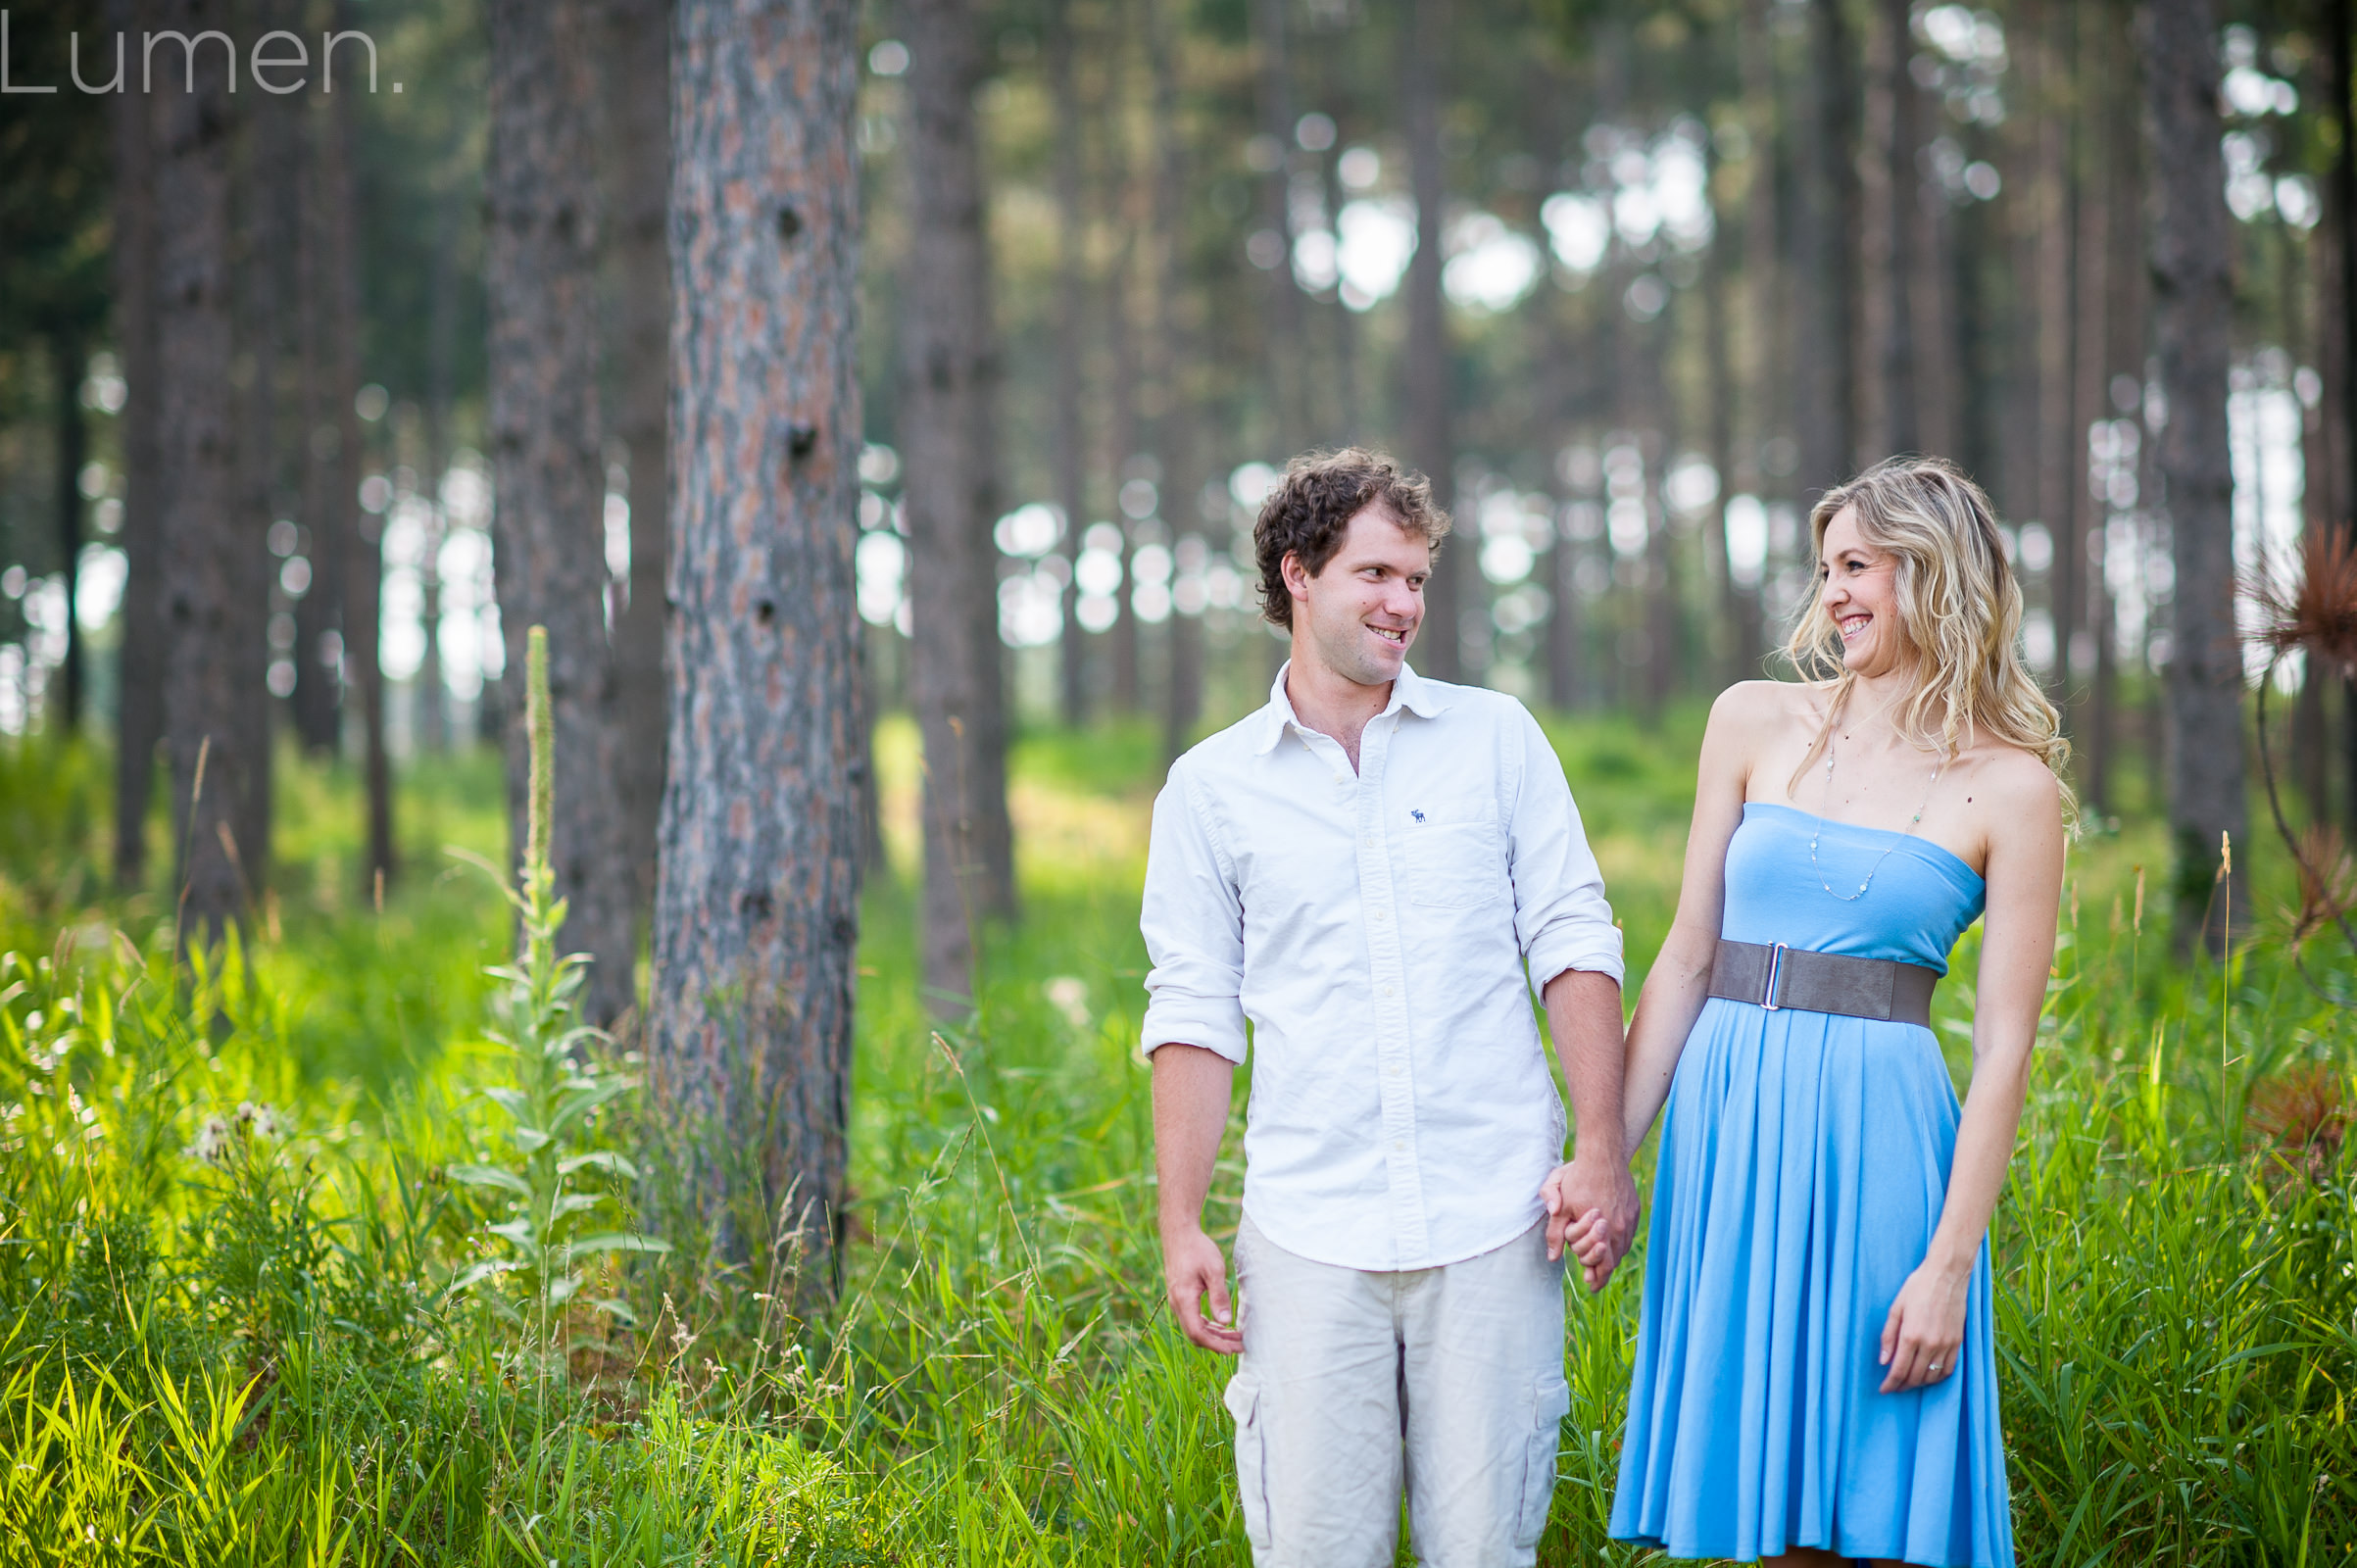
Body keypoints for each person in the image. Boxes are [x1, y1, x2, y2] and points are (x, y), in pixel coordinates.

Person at [1141, 447, 1637, 1568]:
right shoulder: (1209, 789)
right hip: (1307, 1236)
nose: (1402, 604)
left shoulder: (1495, 739)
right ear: (1297, 576)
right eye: (1375, 574)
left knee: (1486, 1553)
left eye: (1414, 580)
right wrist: (1180, 1222)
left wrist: (1599, 1150)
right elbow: (1193, 1012)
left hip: (1493, 1221)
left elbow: (1572, 939)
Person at [1596, 456, 2065, 1568]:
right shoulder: (1752, 719)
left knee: (1867, 1495)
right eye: (1824, 569)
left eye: (1856, 565)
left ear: (1933, 570)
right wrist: (1604, 1155)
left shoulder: (2012, 787)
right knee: (1760, 1505)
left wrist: (1948, 1263)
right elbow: (1683, 957)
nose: (1832, 593)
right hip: (1729, 1125)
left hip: (1879, 1146)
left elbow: (2002, 1049)